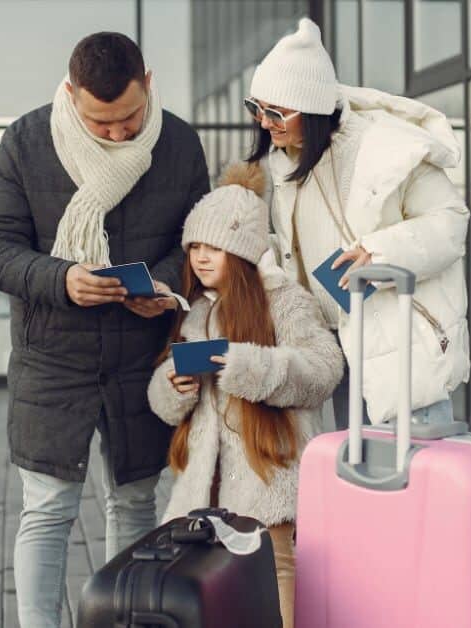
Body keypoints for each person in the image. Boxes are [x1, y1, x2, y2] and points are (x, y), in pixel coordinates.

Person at [0, 32, 209, 628]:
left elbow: (200, 245)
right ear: (72, 94)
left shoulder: (179, 143)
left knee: (134, 502)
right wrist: (62, 278)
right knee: (48, 508)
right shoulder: (25, 142)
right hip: (50, 360)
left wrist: (162, 283)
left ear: (149, 83)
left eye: (128, 118)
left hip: (142, 357)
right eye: (100, 123)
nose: (118, 134)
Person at [245, 18, 471, 429]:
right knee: (356, 476)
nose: (263, 121)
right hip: (332, 344)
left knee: (409, 475)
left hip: (395, 342)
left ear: (312, 108)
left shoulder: (389, 148)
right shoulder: (286, 158)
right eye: (255, 108)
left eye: (275, 112)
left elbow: (450, 223)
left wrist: (379, 254)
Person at [147, 163, 343, 628]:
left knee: (276, 579)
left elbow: (323, 369)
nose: (200, 257)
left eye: (213, 246)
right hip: (204, 492)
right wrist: (173, 386)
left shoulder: (285, 302)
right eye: (194, 245)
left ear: (242, 249)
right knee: (215, 595)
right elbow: (164, 403)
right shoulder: (194, 312)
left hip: (268, 480)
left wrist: (246, 365)